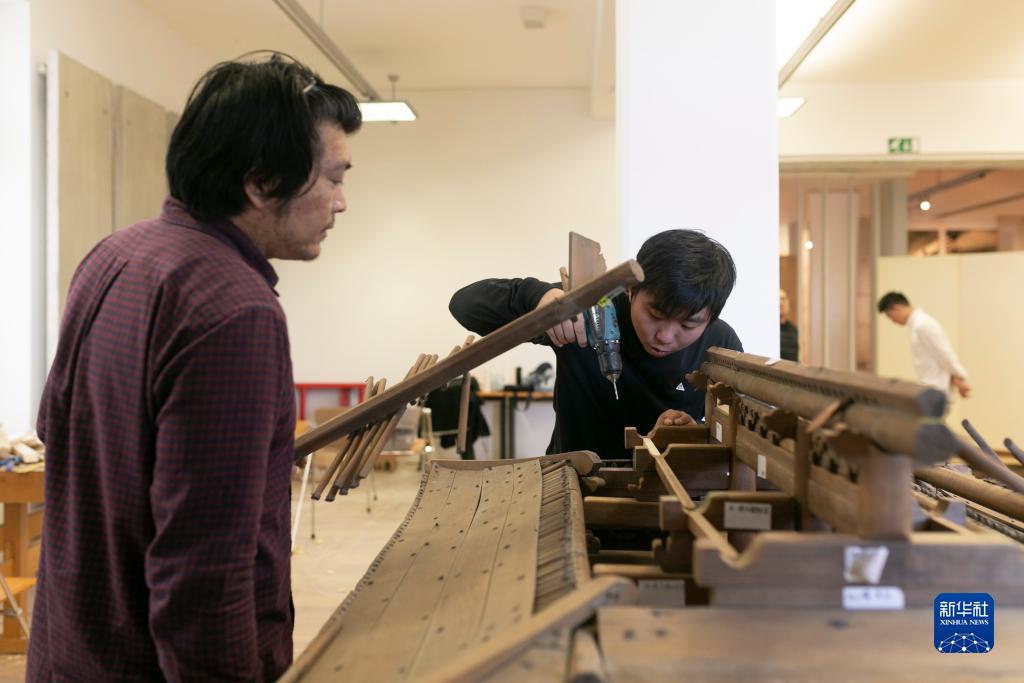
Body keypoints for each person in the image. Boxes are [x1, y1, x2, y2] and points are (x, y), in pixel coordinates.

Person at [28, 54, 361, 681]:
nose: (341, 203)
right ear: (262, 183)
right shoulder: (235, 311)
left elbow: (57, 430)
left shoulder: (114, 255)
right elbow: (204, 579)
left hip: (70, 651)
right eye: (332, 179)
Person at [449, 229, 742, 460]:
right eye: (655, 315)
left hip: (667, 493)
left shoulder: (720, 345)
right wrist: (537, 297)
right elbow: (464, 305)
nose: (665, 335)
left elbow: (736, 433)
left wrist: (696, 433)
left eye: (688, 325)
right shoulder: (592, 312)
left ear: (710, 318)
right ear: (630, 290)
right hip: (572, 482)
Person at [877, 291, 971, 399]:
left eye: (890, 316)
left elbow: (944, 353)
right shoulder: (917, 325)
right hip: (930, 386)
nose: (892, 321)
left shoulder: (923, 325)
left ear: (897, 308)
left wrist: (960, 376)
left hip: (936, 389)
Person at [779, 288, 799, 361]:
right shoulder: (768, 329)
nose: (781, 303)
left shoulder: (793, 329)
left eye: (783, 299)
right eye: (778, 299)